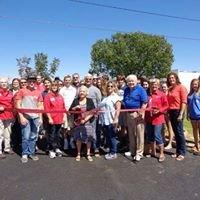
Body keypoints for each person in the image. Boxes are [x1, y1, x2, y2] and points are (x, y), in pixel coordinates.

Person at [15, 75, 43, 163]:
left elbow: (40, 106)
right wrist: (21, 117)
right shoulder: (22, 91)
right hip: (25, 117)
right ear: (27, 82)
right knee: (25, 137)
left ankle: (31, 153)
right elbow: (18, 105)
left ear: (35, 82)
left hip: (35, 118)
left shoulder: (38, 92)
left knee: (33, 136)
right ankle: (24, 153)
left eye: (33, 81)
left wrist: (40, 118)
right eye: (30, 81)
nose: (32, 83)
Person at [123, 74, 148, 161]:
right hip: (128, 114)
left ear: (136, 81)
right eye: (129, 81)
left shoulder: (141, 89)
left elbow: (145, 102)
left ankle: (139, 153)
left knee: (139, 134)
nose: (131, 83)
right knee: (131, 134)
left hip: (137, 114)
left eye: (132, 81)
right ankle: (132, 150)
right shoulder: (126, 90)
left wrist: (140, 112)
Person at [69, 85, 96, 162]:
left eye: (83, 91)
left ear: (86, 93)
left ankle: (88, 154)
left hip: (88, 123)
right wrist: (74, 108)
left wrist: (85, 120)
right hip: (78, 123)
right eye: (80, 91)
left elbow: (93, 112)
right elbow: (70, 112)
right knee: (78, 139)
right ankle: (78, 154)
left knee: (88, 139)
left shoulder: (90, 100)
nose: (82, 92)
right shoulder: (75, 100)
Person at [145, 79, 168, 162]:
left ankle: (162, 154)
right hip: (149, 119)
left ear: (158, 85)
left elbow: (166, 106)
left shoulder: (162, 94)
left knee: (157, 136)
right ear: (150, 85)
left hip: (158, 119)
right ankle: (153, 151)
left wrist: (159, 110)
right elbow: (145, 105)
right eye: (152, 84)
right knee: (150, 136)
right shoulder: (147, 95)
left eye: (155, 84)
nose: (154, 86)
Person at [167, 72, 187, 161]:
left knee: (179, 132)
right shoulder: (170, 89)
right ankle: (178, 151)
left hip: (178, 111)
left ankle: (182, 152)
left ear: (176, 78)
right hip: (171, 111)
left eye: (172, 77)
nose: (171, 79)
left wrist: (181, 113)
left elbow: (184, 101)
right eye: (170, 78)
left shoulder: (181, 87)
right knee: (176, 132)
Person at [99, 81, 121, 160]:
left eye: (112, 86)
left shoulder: (116, 97)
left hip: (111, 120)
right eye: (108, 86)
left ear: (115, 87)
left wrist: (115, 119)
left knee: (112, 137)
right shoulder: (105, 97)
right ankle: (111, 150)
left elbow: (118, 109)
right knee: (108, 136)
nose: (109, 87)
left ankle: (113, 152)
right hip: (104, 120)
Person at [44, 81, 66, 158]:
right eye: (52, 85)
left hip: (59, 119)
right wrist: (49, 118)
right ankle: (51, 150)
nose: (54, 86)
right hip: (52, 120)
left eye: (56, 85)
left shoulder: (60, 96)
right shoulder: (48, 96)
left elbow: (63, 108)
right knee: (51, 135)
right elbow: (46, 108)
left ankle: (57, 148)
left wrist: (64, 117)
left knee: (57, 135)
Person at [59, 75, 76, 150]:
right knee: (64, 127)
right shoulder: (62, 90)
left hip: (72, 111)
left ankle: (71, 141)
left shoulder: (74, 89)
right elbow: (60, 101)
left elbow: (75, 100)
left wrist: (72, 110)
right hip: (64, 111)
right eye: (66, 80)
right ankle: (65, 141)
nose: (67, 81)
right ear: (64, 81)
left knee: (72, 127)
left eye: (69, 80)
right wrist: (64, 110)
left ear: (71, 81)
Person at [0, 77, 14, 159]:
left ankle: (7, 148)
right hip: (0, 116)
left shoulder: (10, 93)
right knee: (0, 134)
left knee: (8, 133)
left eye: (5, 82)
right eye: (2, 82)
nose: (3, 83)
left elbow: (12, 104)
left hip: (8, 116)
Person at [187, 79, 200, 155]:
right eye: (193, 84)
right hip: (192, 116)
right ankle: (196, 145)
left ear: (198, 84)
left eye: (196, 84)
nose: (194, 85)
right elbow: (188, 106)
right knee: (194, 131)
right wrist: (187, 114)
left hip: (199, 115)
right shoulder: (189, 94)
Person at [160, 82, 174, 149]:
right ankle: (164, 141)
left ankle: (170, 143)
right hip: (162, 113)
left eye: (165, 87)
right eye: (162, 87)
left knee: (169, 128)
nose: (163, 88)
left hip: (168, 113)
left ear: (167, 87)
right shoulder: (161, 94)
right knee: (163, 128)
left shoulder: (169, 94)